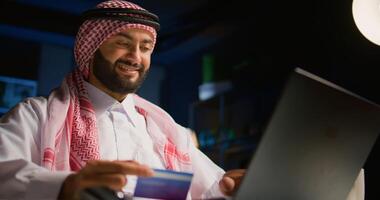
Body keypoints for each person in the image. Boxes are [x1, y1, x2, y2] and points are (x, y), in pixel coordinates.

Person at [0, 1, 365, 200]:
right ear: (92, 47)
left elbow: (210, 185)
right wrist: (66, 186)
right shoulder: (37, 115)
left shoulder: (164, 129)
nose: (136, 56)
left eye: (145, 47)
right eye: (122, 42)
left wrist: (236, 186)